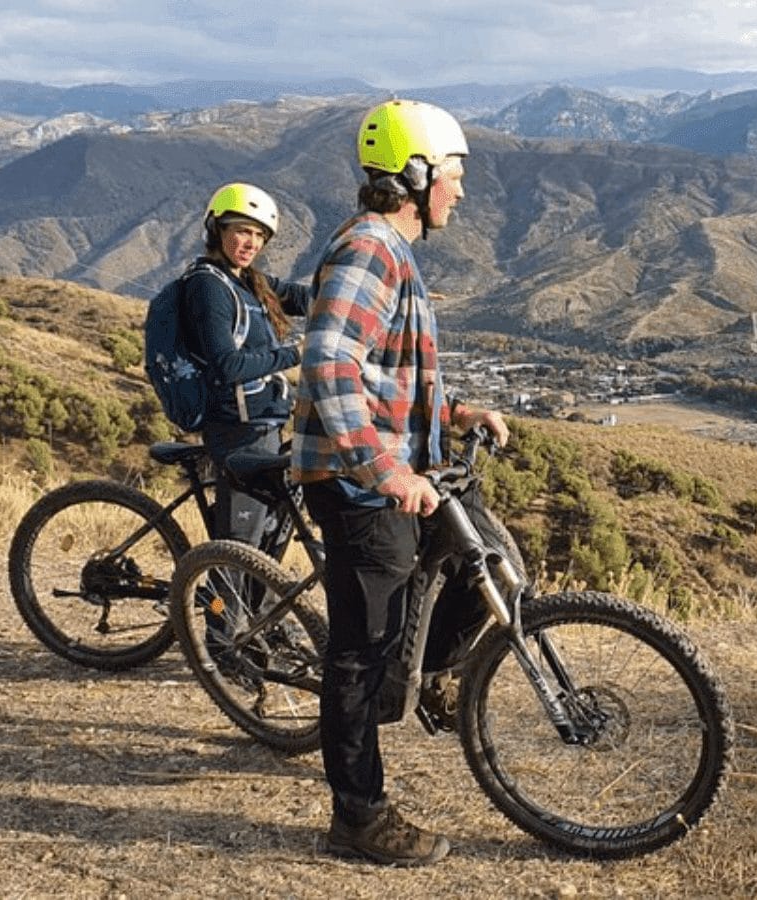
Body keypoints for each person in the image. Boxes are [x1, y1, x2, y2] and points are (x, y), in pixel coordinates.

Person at [292, 99, 508, 867]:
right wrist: (385, 471)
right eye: (454, 173)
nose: (462, 190)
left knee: (481, 566)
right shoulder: (370, 252)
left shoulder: (392, 250)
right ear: (417, 176)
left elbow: (391, 377)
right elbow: (329, 364)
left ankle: (417, 680)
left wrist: (455, 412)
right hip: (360, 487)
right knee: (359, 649)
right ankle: (358, 816)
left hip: (397, 473)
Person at [185, 182, 310, 550]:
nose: (251, 243)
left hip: (263, 424)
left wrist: (374, 294)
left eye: (259, 235)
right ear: (217, 230)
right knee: (240, 546)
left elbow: (303, 297)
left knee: (266, 537)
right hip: (237, 429)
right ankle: (216, 590)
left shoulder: (248, 281)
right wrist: (295, 354)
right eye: (242, 231)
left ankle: (253, 592)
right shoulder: (209, 287)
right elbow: (226, 365)